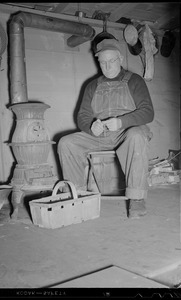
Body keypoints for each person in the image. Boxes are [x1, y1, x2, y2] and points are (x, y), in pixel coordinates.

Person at [57, 39, 154, 219]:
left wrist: (122, 122)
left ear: (120, 59)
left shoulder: (135, 80)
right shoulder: (92, 85)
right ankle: (76, 196)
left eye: (112, 61)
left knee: (136, 135)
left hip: (127, 131)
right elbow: (82, 116)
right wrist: (90, 126)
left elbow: (148, 113)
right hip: (100, 136)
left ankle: (137, 198)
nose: (108, 66)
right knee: (67, 142)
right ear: (98, 62)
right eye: (103, 62)